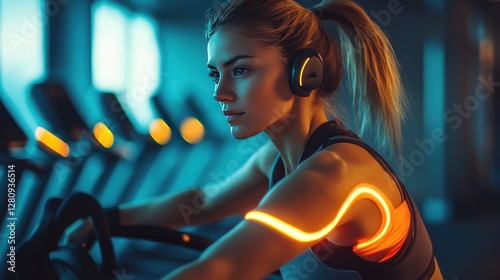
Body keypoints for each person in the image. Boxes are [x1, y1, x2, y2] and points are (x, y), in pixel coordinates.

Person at [66, 0, 443, 279]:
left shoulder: (335, 175)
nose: (220, 92)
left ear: (304, 74)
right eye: (216, 74)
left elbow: (221, 269)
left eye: (241, 70)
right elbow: (201, 204)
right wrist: (101, 220)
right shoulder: (276, 161)